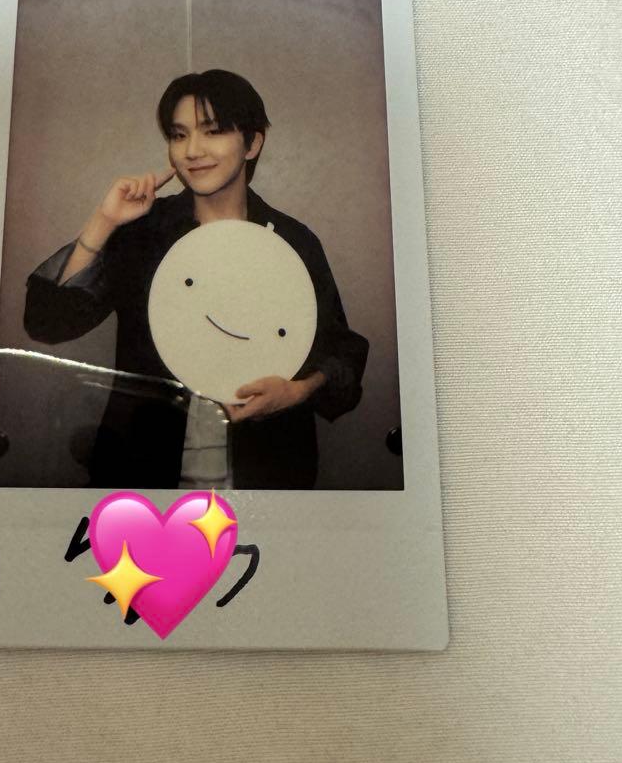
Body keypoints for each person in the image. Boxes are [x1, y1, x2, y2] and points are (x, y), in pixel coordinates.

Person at [23, 69, 368, 489]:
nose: (192, 151)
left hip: (265, 472)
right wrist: (104, 221)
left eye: (213, 131)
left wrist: (298, 392)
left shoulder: (293, 241)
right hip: (144, 469)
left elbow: (342, 352)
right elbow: (47, 321)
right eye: (179, 135)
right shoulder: (144, 234)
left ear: (252, 143)